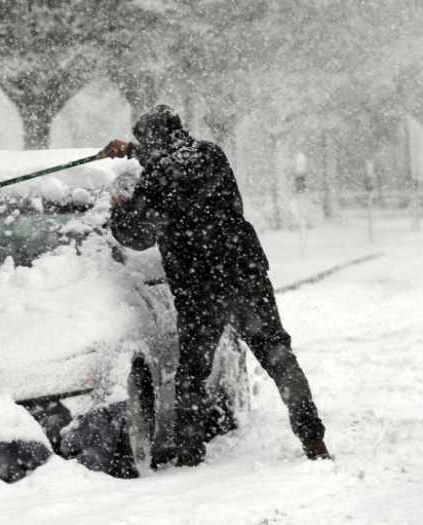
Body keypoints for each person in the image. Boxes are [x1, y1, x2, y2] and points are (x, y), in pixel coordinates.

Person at [98, 104, 330, 468]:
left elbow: (137, 236)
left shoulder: (156, 178)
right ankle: (312, 436)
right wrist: (130, 151)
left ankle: (190, 454)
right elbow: (178, 166)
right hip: (245, 273)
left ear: (154, 140)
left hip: (199, 287)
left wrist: (120, 209)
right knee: (278, 356)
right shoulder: (211, 154)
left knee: (192, 373)